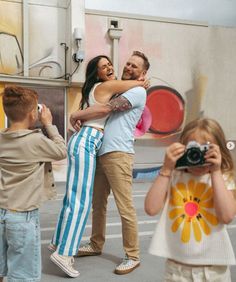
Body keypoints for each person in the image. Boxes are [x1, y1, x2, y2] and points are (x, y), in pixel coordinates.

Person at [49, 55, 148, 278]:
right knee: (97, 203)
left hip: (118, 153)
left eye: (135, 66)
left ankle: (132, 255)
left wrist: (76, 114)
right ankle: (96, 243)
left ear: (143, 73)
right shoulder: (117, 88)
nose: (128, 67)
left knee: (125, 206)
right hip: (99, 150)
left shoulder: (137, 91)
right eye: (128, 63)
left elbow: (107, 108)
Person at [145, 117, 236, 282]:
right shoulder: (174, 176)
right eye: (193, 150)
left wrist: (215, 172)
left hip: (214, 271)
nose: (198, 158)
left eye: (205, 151)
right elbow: (151, 209)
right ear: (182, 149)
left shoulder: (223, 177)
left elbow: (227, 216)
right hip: (176, 271)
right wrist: (166, 168)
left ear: (218, 151)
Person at [0, 86, 67, 282]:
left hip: (1, 210)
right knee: (23, 275)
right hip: (23, 216)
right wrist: (48, 124)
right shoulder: (35, 140)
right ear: (32, 113)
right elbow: (61, 150)